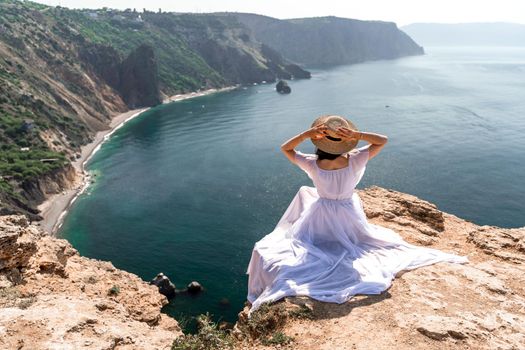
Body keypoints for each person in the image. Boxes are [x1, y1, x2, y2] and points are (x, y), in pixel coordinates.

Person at [246, 115, 468, 315]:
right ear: (345, 142)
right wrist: (357, 135)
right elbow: (382, 139)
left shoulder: (313, 164)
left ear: (319, 142)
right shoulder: (355, 159)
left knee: (311, 241)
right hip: (348, 212)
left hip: (320, 213)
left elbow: (286, 148)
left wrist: (306, 135)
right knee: (359, 244)